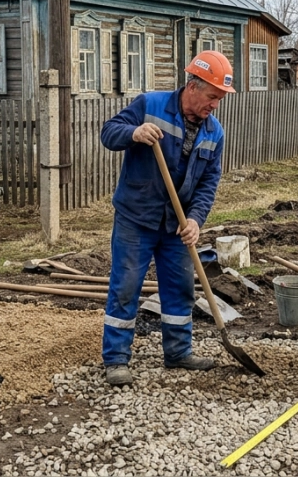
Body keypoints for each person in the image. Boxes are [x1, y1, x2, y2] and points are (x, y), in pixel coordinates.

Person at [98, 50, 235, 387]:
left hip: (177, 225)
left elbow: (208, 182)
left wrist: (195, 220)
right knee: (126, 287)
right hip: (137, 217)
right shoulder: (150, 106)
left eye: (220, 99)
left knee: (180, 289)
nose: (215, 105)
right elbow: (108, 132)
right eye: (212, 96)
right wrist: (134, 133)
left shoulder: (213, 133)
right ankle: (116, 360)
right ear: (193, 86)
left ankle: (178, 352)